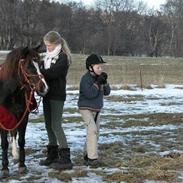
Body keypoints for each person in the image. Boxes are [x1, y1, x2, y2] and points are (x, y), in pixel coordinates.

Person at [39, 31, 72, 170]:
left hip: (57, 95)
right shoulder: (46, 57)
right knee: (48, 125)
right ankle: (52, 154)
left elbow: (53, 73)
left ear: (57, 43)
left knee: (56, 125)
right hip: (47, 95)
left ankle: (65, 157)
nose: (48, 48)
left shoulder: (63, 57)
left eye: (50, 45)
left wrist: (39, 72)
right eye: (46, 45)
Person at [78, 53, 111, 167]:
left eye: (101, 67)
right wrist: (97, 83)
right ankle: (93, 159)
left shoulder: (100, 78)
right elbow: (90, 94)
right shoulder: (85, 79)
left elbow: (107, 92)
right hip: (85, 108)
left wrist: (105, 82)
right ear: (90, 68)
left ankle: (87, 154)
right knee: (92, 130)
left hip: (97, 109)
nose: (101, 69)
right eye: (98, 67)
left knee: (95, 132)